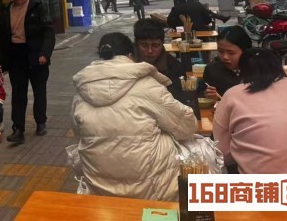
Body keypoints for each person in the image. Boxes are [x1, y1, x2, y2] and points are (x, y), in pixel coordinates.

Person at [70, 33, 196, 201]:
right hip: (153, 192)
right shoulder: (147, 86)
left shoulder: (81, 92)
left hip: (98, 190)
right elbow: (187, 127)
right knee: (200, 150)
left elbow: (79, 134)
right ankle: (207, 210)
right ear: (130, 55)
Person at [213, 48, 287, 211]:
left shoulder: (233, 94)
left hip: (266, 193)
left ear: (242, 71)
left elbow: (222, 154)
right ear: (279, 67)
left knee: (198, 193)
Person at [0, 0, 55, 144]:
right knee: (18, 93)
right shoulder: (6, 10)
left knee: (39, 91)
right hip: (16, 56)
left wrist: (45, 54)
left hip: (36, 55)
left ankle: (41, 122)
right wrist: (0, 60)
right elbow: (1, 38)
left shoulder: (37, 7)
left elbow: (48, 32)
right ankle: (18, 129)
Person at [133, 18, 183, 100]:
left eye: (155, 46)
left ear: (162, 44)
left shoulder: (174, 67)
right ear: (136, 44)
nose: (150, 51)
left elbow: (177, 98)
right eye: (144, 46)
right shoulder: (125, 64)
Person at [202, 25, 252, 100]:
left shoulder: (257, 69)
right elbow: (202, 93)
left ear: (245, 51)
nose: (225, 57)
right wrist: (209, 96)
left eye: (231, 53)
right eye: (220, 51)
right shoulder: (212, 70)